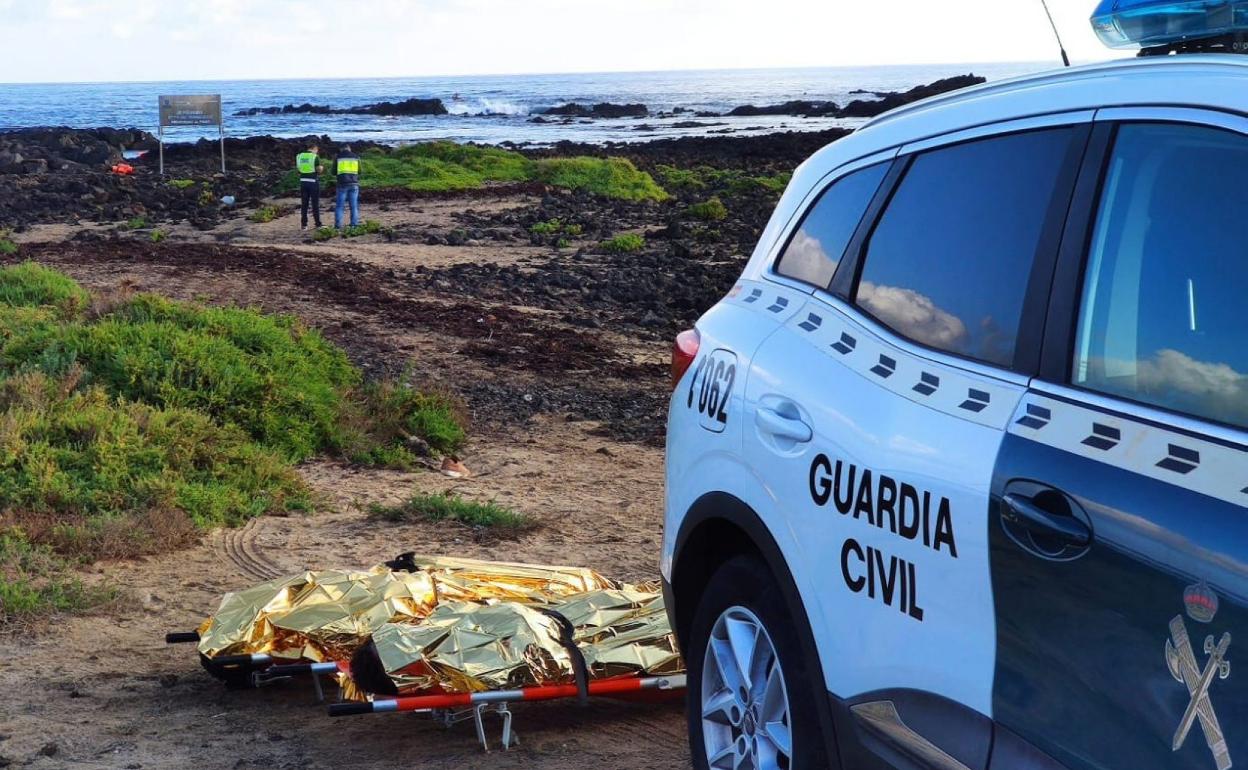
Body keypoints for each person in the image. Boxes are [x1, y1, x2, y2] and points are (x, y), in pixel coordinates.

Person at [296, 144, 323, 230]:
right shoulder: (314, 156)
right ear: (315, 149)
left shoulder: (299, 156)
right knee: (315, 204)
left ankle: (304, 225)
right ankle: (318, 224)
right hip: (313, 181)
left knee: (304, 204)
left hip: (303, 181)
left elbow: (298, 169)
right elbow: (318, 170)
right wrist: (321, 168)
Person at [334, 145, 361, 229]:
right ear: (349, 148)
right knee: (354, 206)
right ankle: (354, 225)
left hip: (341, 184)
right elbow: (359, 171)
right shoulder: (356, 157)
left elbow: (333, 171)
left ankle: (338, 226)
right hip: (354, 183)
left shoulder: (338, 157)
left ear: (341, 149)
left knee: (339, 206)